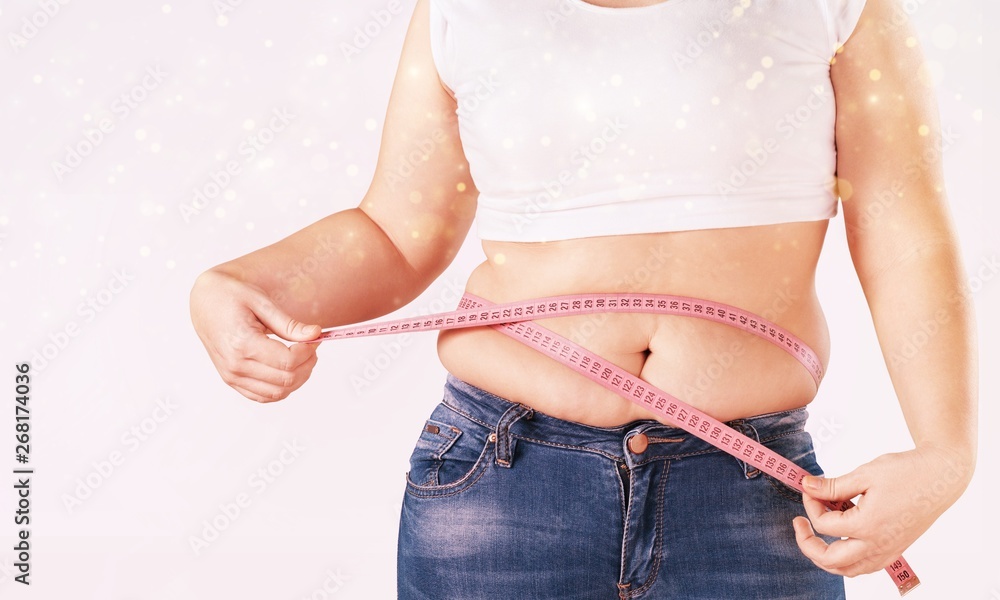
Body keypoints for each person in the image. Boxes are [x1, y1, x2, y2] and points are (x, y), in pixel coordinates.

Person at [189, 0, 978, 597]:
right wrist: (247, 283)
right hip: (499, 482)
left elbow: (901, 221)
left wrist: (946, 452)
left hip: (748, 495)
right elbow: (398, 230)